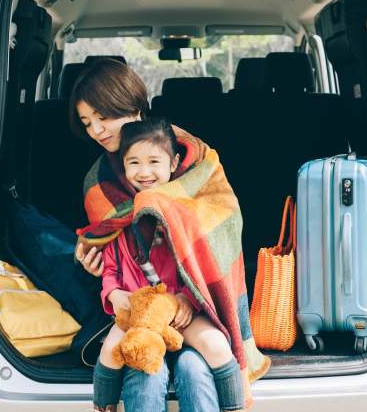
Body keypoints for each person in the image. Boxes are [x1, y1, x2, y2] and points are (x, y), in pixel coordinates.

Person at [69, 59, 224, 412]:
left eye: (102, 117)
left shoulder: (189, 155)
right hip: (136, 309)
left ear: (130, 104)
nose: (96, 131)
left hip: (194, 303)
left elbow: (219, 226)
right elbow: (100, 235)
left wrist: (189, 297)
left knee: (194, 367)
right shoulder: (99, 179)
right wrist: (89, 257)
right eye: (87, 123)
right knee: (144, 372)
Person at [93, 118, 245, 412]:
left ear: (174, 163)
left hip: (180, 312)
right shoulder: (118, 215)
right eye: (134, 162)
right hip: (139, 313)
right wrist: (113, 294)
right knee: (110, 350)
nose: (144, 171)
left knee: (215, 346)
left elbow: (205, 267)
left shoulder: (187, 212)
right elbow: (110, 269)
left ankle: (235, 406)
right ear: (122, 166)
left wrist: (187, 300)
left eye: (154, 161)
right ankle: (103, 405)